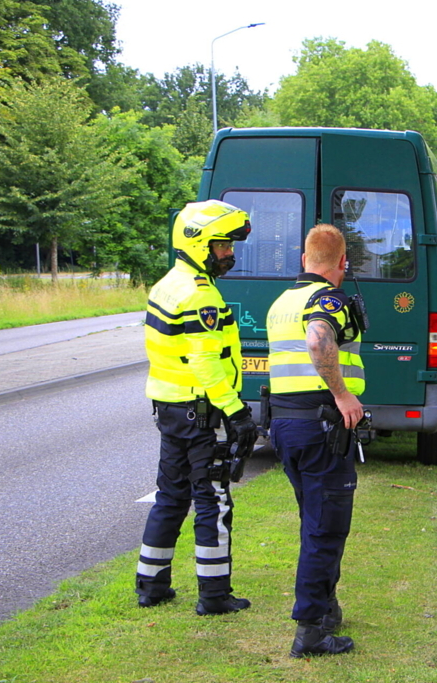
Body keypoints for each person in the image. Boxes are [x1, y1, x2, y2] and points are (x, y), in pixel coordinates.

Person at [135, 200, 258, 616]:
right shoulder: (199, 295)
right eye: (222, 245)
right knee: (213, 498)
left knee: (170, 496)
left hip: (171, 408)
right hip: (200, 410)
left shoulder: (167, 284)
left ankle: (151, 585)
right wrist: (236, 412)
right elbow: (204, 362)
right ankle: (215, 595)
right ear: (200, 243)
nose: (230, 253)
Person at [266, 224, 365, 657]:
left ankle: (325, 606)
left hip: (287, 426)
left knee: (314, 521)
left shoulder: (281, 301)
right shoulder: (327, 299)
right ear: (342, 263)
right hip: (321, 425)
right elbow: (319, 336)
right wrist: (342, 393)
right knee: (325, 530)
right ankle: (311, 631)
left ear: (303, 258)